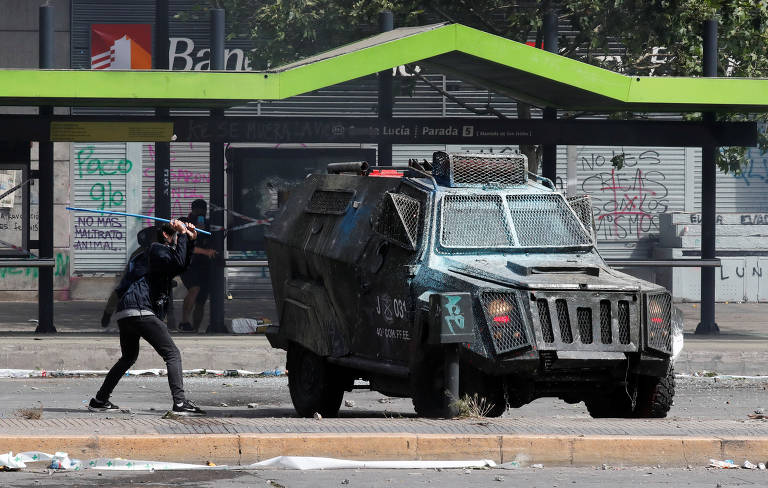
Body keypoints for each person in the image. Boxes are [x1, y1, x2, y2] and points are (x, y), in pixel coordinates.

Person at [88, 219, 206, 416]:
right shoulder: (156, 249)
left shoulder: (149, 255)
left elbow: (181, 265)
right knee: (172, 354)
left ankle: (100, 400)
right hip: (140, 309)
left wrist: (190, 239)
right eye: (175, 235)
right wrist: (184, 234)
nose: (177, 238)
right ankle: (180, 403)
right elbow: (178, 261)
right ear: (167, 236)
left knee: (128, 357)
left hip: (127, 313)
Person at [179, 199, 216, 332]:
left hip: (204, 266)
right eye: (198, 210)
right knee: (194, 289)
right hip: (188, 264)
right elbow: (186, 247)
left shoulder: (209, 224)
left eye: (203, 211)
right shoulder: (184, 223)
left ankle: (194, 329)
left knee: (201, 300)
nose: (201, 213)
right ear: (192, 210)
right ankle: (184, 321)